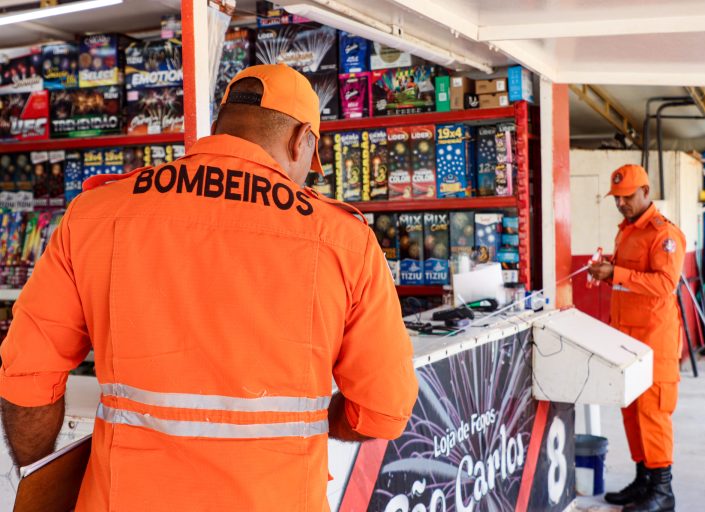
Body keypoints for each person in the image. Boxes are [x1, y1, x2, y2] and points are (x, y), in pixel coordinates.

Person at [0, 64, 419, 511]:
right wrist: (321, 420)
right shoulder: (343, 240)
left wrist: (42, 479)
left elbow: (26, 378)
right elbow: (383, 409)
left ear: (219, 128)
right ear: (303, 141)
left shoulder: (98, 212)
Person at [588, 164, 685, 512]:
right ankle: (644, 480)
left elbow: (664, 284)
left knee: (653, 414)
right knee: (631, 411)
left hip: (654, 341)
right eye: (618, 198)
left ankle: (662, 491)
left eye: (628, 197)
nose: (622, 204)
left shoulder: (664, 234)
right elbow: (627, 278)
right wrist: (607, 272)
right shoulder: (626, 231)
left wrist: (619, 272)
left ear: (646, 191)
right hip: (625, 339)